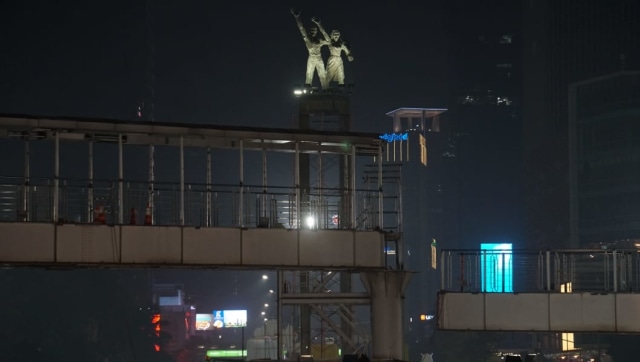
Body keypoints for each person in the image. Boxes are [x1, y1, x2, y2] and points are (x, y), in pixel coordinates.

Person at [291, 9, 329, 89]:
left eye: (314, 30)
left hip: (319, 58)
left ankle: (326, 90)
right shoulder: (307, 39)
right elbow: (301, 28)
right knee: (309, 75)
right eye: (311, 30)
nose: (313, 31)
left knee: (323, 75)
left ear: (316, 31)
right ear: (309, 31)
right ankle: (307, 90)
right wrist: (297, 17)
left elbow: (328, 40)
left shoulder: (319, 40)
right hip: (311, 57)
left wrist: (319, 25)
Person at [315, 22, 354, 86]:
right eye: (335, 34)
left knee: (341, 75)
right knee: (329, 75)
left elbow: (347, 52)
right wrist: (318, 24)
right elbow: (324, 32)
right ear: (332, 35)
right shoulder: (330, 42)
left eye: (337, 34)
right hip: (332, 59)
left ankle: (341, 88)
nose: (336, 35)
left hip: (339, 59)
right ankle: (325, 88)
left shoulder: (341, 44)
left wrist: (349, 56)